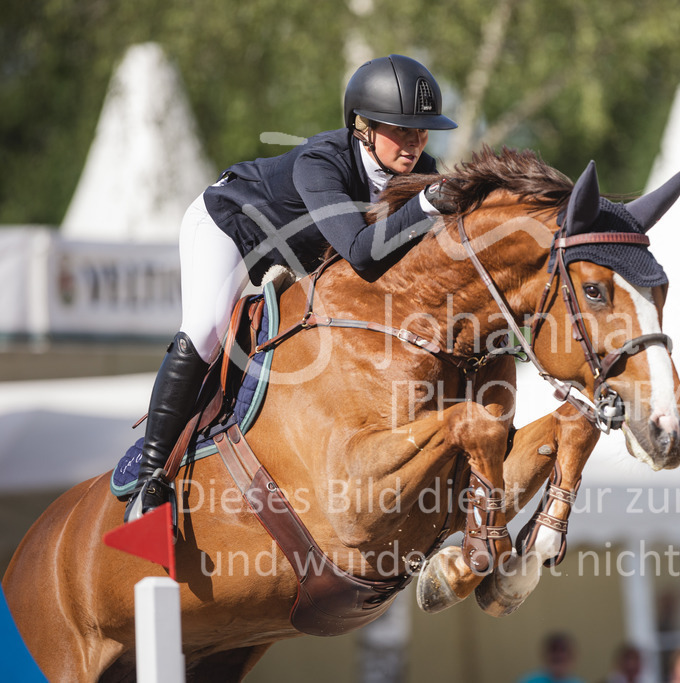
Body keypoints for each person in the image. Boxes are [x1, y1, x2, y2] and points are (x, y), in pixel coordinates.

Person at [123, 54, 458, 524]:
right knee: (206, 329)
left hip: (302, 253)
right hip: (231, 228)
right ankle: (150, 479)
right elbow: (362, 252)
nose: (415, 141)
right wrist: (426, 203)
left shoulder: (423, 167)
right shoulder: (320, 162)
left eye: (421, 130)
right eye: (401, 128)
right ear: (362, 126)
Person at [517, 632, 585, 683]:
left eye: (563, 650)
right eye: (553, 649)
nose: (558, 655)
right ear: (544, 655)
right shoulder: (529, 681)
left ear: (572, 655)